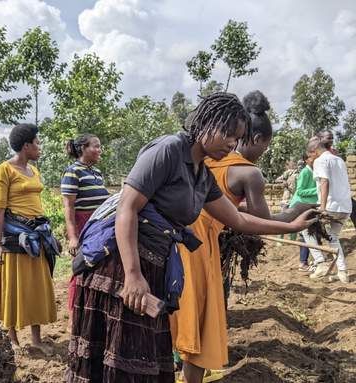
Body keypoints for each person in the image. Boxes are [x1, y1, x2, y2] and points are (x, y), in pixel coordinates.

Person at [67, 92, 316, 383]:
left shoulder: (202, 175)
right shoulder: (169, 150)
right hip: (119, 267)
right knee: (119, 356)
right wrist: (133, 275)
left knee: (141, 357)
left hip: (156, 266)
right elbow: (127, 209)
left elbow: (237, 219)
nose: (232, 144)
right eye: (228, 135)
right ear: (207, 124)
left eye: (236, 139)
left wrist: (292, 225)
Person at [170, 90, 282, 382]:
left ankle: (179, 364)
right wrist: (295, 214)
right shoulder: (249, 173)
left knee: (178, 308)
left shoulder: (202, 160)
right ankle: (189, 370)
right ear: (255, 139)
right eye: (265, 148)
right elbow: (258, 220)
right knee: (201, 313)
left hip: (180, 239)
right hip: (199, 246)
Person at [0, 123, 58, 355]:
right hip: (15, 238)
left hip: (37, 237)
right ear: (26, 145)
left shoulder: (34, 170)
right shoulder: (4, 170)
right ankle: (12, 339)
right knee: (13, 287)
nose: (40, 147)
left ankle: (36, 339)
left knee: (36, 288)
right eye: (37, 142)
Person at [60, 134, 109, 329]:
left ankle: (91, 316)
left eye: (100, 146)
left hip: (98, 226)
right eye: (95, 146)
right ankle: (75, 319)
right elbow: (69, 208)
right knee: (80, 270)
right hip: (82, 226)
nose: (99, 150)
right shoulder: (73, 172)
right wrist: (73, 237)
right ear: (82, 149)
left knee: (97, 271)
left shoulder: (96, 172)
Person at [305, 136, 353, 283]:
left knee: (305, 228)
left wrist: (323, 208)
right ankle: (342, 272)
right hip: (345, 207)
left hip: (330, 206)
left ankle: (320, 264)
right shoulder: (339, 160)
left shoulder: (320, 161)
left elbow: (324, 182)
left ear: (315, 151)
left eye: (310, 155)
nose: (310, 159)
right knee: (333, 236)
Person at [289, 154, 318, 271]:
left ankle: (308, 261)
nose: (315, 159)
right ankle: (303, 262)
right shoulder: (305, 172)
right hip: (301, 206)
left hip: (309, 205)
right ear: (306, 160)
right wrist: (318, 189)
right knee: (305, 233)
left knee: (310, 233)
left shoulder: (314, 171)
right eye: (312, 158)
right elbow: (300, 191)